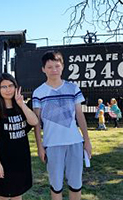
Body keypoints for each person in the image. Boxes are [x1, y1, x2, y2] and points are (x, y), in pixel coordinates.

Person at [32, 51, 92, 200]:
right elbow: (36, 123)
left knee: (76, 184)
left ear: (62, 67)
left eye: (57, 66)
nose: (54, 70)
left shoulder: (73, 88)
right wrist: (40, 146)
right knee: (56, 186)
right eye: (50, 67)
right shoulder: (39, 92)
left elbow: (80, 115)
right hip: (52, 144)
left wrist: (87, 141)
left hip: (75, 142)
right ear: (43, 69)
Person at [0, 73, 38, 200]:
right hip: (4, 161)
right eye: (3, 87)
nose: (8, 89)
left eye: (11, 85)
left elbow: (34, 122)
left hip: (21, 161)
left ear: (16, 87)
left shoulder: (21, 108)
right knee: (3, 195)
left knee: (17, 194)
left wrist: (21, 104)